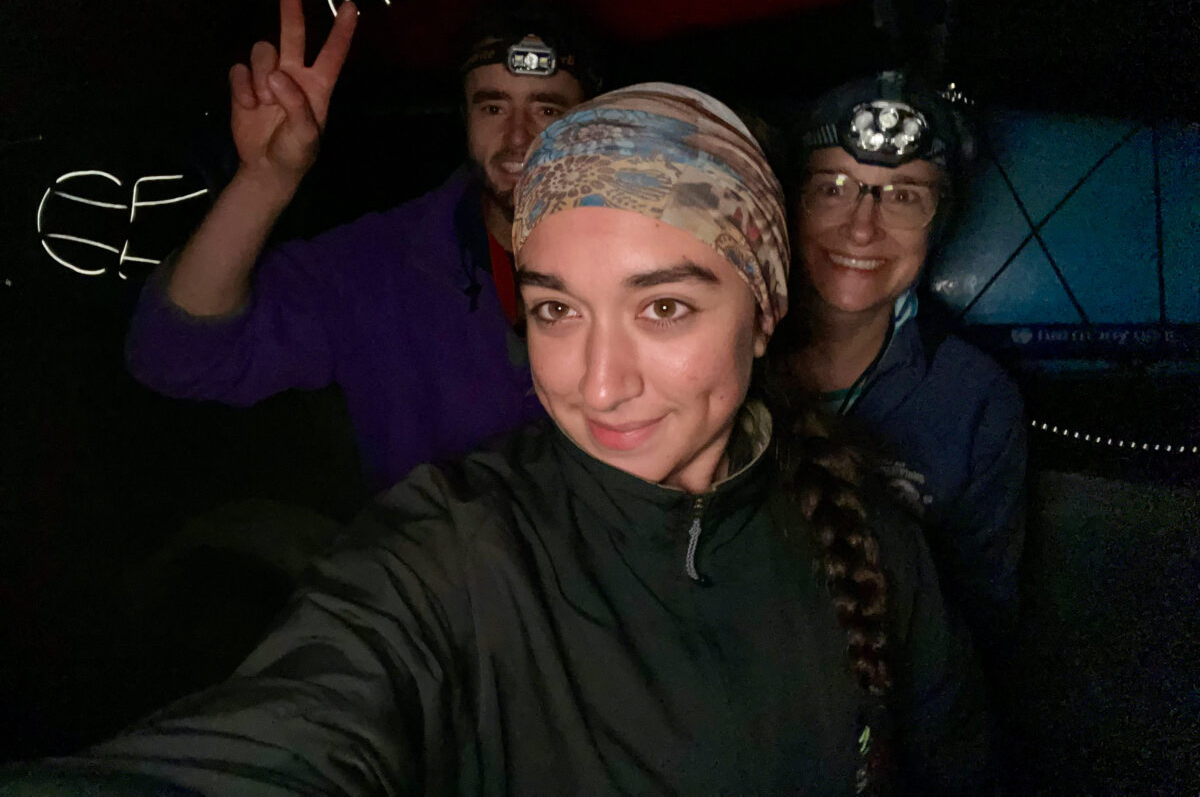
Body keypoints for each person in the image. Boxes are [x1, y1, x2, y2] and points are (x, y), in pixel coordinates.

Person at [2, 84, 992, 796]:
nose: (597, 384)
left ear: (765, 308)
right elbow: (288, 732)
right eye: (558, 311)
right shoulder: (449, 559)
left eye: (664, 310)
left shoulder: (876, 544)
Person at [125, 0, 600, 490]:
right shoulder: (381, 264)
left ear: (593, 123)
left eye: (547, 109)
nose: (516, 137)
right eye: (492, 106)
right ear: (464, 116)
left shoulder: (658, 257)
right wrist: (263, 180)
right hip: (435, 569)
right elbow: (174, 356)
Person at [776, 70, 1026, 659]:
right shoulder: (719, 359)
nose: (862, 227)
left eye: (905, 195)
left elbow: (983, 625)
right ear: (792, 203)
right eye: (834, 188)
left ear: (939, 223)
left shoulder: (975, 403)